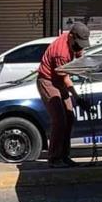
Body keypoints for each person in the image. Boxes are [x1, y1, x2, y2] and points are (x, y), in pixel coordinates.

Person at [37, 22, 92, 168]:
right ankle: (54, 159)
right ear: (71, 36)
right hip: (48, 81)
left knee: (69, 117)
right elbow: (65, 79)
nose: (80, 47)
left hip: (59, 81)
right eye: (78, 43)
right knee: (59, 119)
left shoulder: (74, 43)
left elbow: (80, 59)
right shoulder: (60, 52)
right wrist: (78, 97)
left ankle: (64, 156)